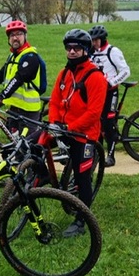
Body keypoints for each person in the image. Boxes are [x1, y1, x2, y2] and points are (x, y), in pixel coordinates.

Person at [47, 28, 109, 237]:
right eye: (69, 48)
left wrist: (69, 128)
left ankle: (82, 221)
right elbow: (54, 101)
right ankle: (39, 180)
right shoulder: (64, 73)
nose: (72, 52)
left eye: (76, 48)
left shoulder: (95, 77)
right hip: (63, 128)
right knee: (35, 145)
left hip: (85, 135)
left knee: (82, 178)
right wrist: (54, 123)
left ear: (85, 50)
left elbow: (94, 113)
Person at [0, 19, 44, 136]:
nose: (15, 38)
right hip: (14, 108)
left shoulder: (31, 56)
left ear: (25, 36)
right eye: (12, 35)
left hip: (28, 110)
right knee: (14, 142)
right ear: (8, 39)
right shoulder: (13, 56)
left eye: (19, 34)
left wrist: (2, 95)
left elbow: (19, 78)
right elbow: (0, 76)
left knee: (28, 144)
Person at [88, 24, 131, 167]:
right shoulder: (91, 52)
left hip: (110, 92)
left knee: (108, 123)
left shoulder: (113, 51)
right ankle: (97, 154)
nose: (94, 43)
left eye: (96, 40)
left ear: (102, 39)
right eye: (92, 40)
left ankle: (111, 156)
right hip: (96, 93)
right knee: (96, 122)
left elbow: (125, 71)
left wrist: (112, 82)